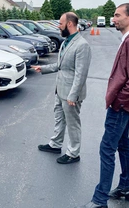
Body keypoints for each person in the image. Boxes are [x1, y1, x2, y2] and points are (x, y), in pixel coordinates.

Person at [76, 3, 129, 208]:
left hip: (121, 106)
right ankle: (126, 186)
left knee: (106, 148)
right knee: (123, 144)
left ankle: (100, 199)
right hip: (122, 105)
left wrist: (119, 103)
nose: (114, 19)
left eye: (117, 15)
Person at [32, 12, 91, 164]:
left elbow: (81, 74)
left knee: (72, 123)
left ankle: (73, 153)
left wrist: (73, 95)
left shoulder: (82, 45)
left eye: (60, 23)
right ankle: (55, 144)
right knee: (59, 118)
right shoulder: (66, 42)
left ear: (69, 24)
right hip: (60, 90)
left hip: (71, 94)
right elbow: (60, 66)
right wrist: (43, 68)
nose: (58, 26)